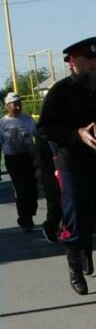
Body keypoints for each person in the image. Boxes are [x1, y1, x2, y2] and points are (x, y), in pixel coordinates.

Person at [36, 37, 96, 302]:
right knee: (77, 223)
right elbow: (45, 128)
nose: (93, 63)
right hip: (74, 167)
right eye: (87, 59)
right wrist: (76, 134)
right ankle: (75, 267)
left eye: (95, 59)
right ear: (71, 63)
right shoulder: (60, 91)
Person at [2, 91, 40, 231]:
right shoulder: (3, 123)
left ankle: (30, 211)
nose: (17, 106)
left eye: (19, 104)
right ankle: (25, 219)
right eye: (14, 104)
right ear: (7, 106)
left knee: (32, 188)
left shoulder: (28, 119)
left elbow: (38, 137)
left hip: (29, 157)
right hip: (13, 159)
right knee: (21, 188)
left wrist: (38, 154)